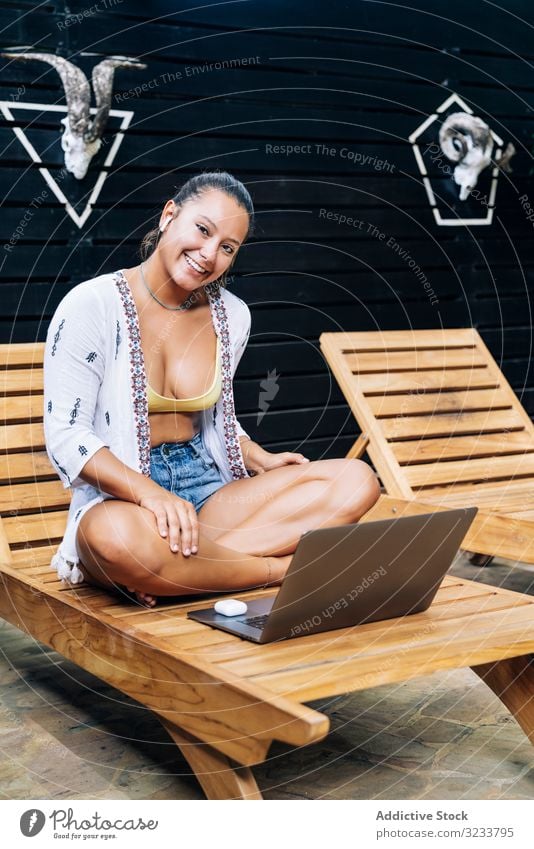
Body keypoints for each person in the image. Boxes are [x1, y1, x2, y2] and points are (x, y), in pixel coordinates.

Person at [43, 170, 380, 607]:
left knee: (356, 481)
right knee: (115, 540)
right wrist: (151, 493)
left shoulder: (232, 316)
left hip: (208, 492)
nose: (208, 255)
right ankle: (277, 570)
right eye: (202, 230)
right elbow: (67, 438)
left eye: (227, 248)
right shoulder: (92, 305)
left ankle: (181, 571)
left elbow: (217, 420)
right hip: (126, 498)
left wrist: (256, 455)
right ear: (169, 215)